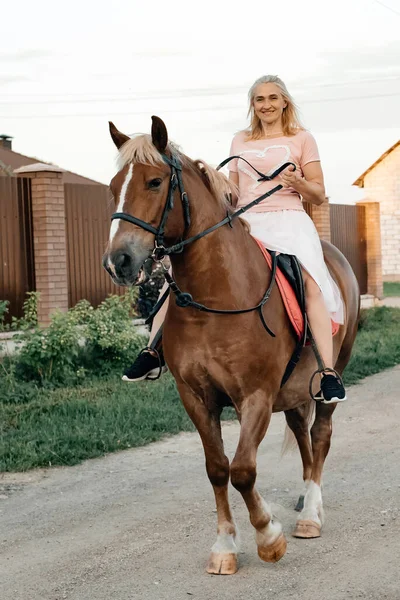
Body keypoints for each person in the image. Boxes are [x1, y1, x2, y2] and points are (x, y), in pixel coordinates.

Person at [123, 75, 346, 404]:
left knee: (312, 283)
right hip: (247, 220)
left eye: (273, 97)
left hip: (289, 221)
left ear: (285, 102)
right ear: (252, 105)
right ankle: (153, 351)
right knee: (182, 276)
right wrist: (207, 180)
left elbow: (320, 193)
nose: (266, 104)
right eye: (259, 99)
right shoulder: (240, 140)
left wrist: (297, 183)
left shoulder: (302, 138)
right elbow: (233, 191)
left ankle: (327, 372)